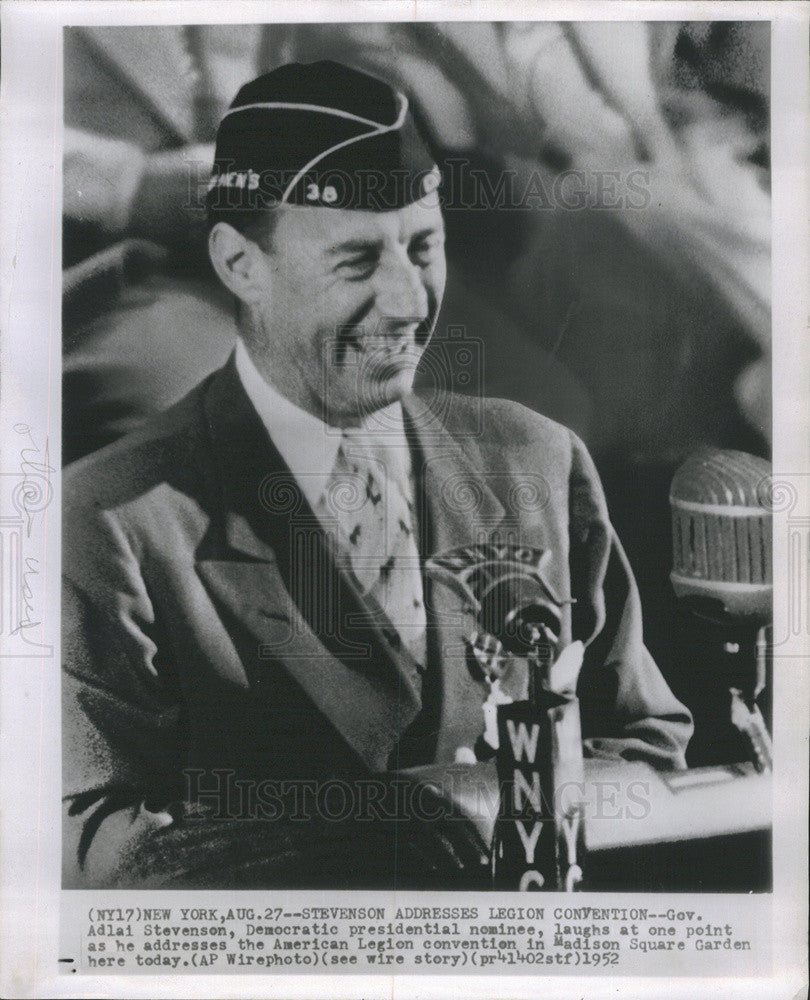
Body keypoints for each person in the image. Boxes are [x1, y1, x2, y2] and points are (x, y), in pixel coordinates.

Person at [62, 61, 692, 890]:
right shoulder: (113, 523)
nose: (408, 302)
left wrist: (498, 804)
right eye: (357, 262)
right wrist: (400, 834)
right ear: (240, 264)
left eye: (423, 248)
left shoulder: (538, 461)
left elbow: (646, 751)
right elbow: (96, 854)